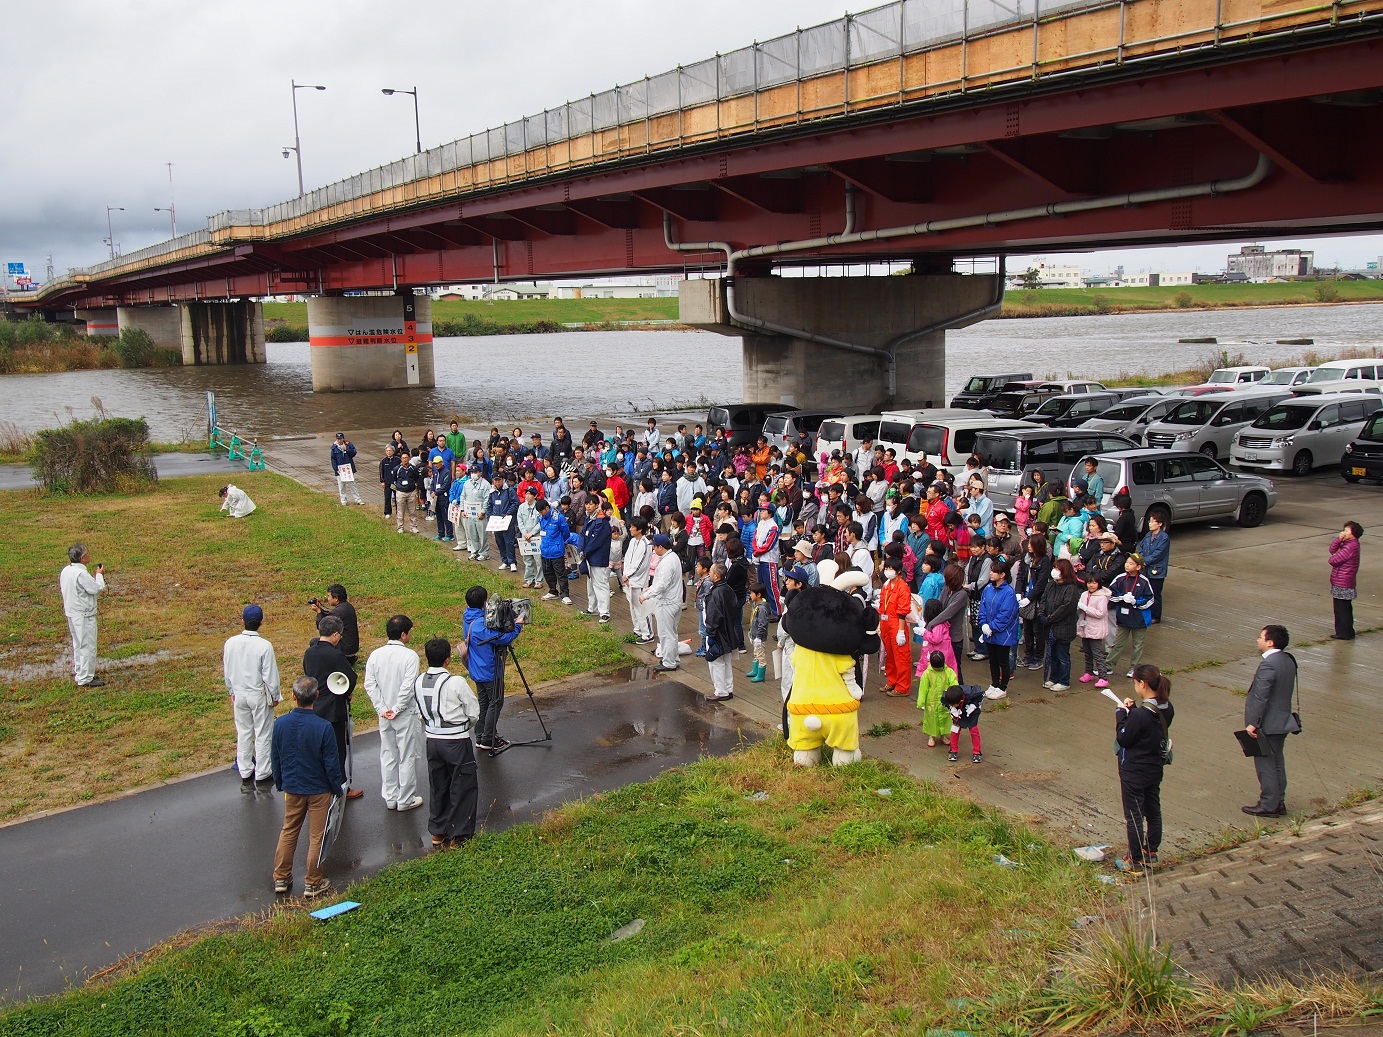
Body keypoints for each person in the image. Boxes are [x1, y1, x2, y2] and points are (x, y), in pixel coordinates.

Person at [270, 675, 344, 899]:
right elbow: (331, 763)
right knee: (317, 836)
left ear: (293, 696)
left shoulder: (280, 723)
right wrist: (337, 788)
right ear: (317, 696)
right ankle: (313, 882)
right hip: (319, 789)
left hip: (293, 786)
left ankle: (281, 877)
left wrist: (280, 781)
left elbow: (275, 757)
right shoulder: (323, 727)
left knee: (289, 830)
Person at [414, 636, 481, 848]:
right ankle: (459, 834)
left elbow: (418, 711)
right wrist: (465, 727)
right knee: (463, 785)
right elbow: (473, 712)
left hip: (432, 740)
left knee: (438, 785)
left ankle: (438, 831)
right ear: (448, 660)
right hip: (456, 740)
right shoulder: (456, 682)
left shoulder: (419, 680)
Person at [1113, 663, 1175, 874]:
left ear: (1143, 683)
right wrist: (1134, 710)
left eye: (1136, 683)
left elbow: (1124, 737)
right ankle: (1151, 852)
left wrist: (1122, 714)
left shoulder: (1139, 716)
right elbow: (1149, 727)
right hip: (1154, 767)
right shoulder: (1166, 708)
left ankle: (1134, 860)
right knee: (1153, 810)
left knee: (1134, 815)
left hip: (1134, 770)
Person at [364, 614, 423, 812]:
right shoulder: (410, 656)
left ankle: (391, 797)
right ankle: (405, 799)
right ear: (403, 634)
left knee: (388, 754)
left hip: (385, 714)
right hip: (404, 713)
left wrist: (382, 709)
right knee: (407, 755)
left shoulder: (375, 655)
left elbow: (370, 684)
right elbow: (408, 687)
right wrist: (396, 709)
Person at [302, 614, 362, 799]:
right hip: (333, 708)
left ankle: (320, 784)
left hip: (315, 705)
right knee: (337, 749)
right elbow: (351, 677)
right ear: (335, 635)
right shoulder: (335, 654)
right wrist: (347, 692)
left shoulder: (309, 652)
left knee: (318, 748)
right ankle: (341, 786)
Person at [1242, 624, 1299, 818]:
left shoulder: (1269, 664)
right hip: (1282, 720)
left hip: (1267, 723)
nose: (1258, 640)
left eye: (1260, 637)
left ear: (1270, 642)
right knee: (1277, 763)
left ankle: (1268, 804)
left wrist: (1253, 723)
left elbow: (1261, 696)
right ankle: (1278, 801)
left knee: (1266, 765)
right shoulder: (1288, 660)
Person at [224, 604, 282, 793]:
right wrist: (275, 696)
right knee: (263, 733)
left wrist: (231, 690)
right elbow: (270, 675)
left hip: (239, 693)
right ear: (261, 622)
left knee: (243, 732)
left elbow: (227, 670)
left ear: (242, 621)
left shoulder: (230, 643)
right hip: (258, 694)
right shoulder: (264, 646)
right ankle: (263, 771)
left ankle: (245, 769)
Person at [462, 586, 524, 752]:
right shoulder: (481, 626)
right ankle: (488, 739)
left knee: (485, 704)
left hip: (477, 669)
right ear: (484, 603)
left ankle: (481, 735)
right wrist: (517, 626)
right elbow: (502, 639)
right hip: (489, 670)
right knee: (495, 702)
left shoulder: (468, 618)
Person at [60, 543, 106, 688]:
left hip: (72, 613)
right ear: (82, 558)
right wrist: (99, 576)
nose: (89, 555)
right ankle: (85, 678)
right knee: (87, 646)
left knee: (78, 644)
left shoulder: (66, 570)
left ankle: (82, 673)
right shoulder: (81, 574)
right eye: (87, 553)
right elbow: (96, 588)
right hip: (84, 615)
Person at [1105, 554, 1156, 679]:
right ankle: (1108, 666)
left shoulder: (1144, 581)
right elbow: (1110, 593)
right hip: (1123, 617)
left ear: (1138, 567)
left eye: (1131, 563)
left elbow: (1151, 599)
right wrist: (1122, 597)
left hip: (1140, 619)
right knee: (1118, 643)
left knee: (1138, 645)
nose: (1127, 565)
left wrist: (1136, 602)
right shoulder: (1120, 578)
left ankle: (1135, 668)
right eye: (1127, 562)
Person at [978, 559, 1019, 700]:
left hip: (1003, 634)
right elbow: (982, 607)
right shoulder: (988, 589)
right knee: (992, 660)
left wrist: (992, 627)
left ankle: (1003, 687)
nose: (991, 573)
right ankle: (994, 684)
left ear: (1002, 574)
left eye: (994, 571)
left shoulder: (1009, 592)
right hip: (989, 632)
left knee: (1003, 661)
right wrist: (983, 624)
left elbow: (1006, 614)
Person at [642, 533, 683, 671]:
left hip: (667, 603)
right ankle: (673, 658)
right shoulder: (673, 557)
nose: (653, 549)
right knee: (672, 632)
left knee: (666, 634)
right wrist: (651, 588)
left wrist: (647, 595)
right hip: (674, 601)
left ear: (660, 546)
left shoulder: (667, 562)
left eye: (654, 547)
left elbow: (662, 585)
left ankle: (669, 662)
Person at [703, 562, 743, 700]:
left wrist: (711, 634)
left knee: (716, 662)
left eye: (711, 572)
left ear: (717, 575)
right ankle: (728, 688)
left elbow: (713, 616)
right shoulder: (728, 589)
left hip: (719, 632)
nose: (709, 574)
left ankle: (720, 691)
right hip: (729, 631)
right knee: (726, 661)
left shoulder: (716, 593)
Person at [1041, 558, 1080, 692]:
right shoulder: (1051, 584)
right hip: (1049, 627)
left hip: (1064, 627)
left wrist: (1051, 618)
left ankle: (1064, 681)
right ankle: (1053, 677)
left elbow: (1066, 607)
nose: (1055, 571)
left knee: (1063, 655)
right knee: (1052, 654)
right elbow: (1044, 599)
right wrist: (1042, 614)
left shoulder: (1071, 588)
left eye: (1058, 569)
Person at [878, 557, 914, 696]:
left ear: (898, 571)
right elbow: (882, 606)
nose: (888, 571)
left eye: (891, 569)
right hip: (886, 623)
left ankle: (903, 686)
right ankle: (892, 680)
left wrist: (900, 631)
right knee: (890, 654)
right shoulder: (886, 585)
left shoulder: (903, 587)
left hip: (897, 624)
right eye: (886, 568)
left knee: (901, 655)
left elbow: (903, 611)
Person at [577, 497, 613, 623]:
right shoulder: (589, 518)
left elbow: (596, 541)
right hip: (588, 557)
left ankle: (604, 612)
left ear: (597, 505)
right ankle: (592, 608)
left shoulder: (602, 522)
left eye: (591, 504)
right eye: (586, 504)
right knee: (590, 584)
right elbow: (582, 535)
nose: (588, 506)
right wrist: (581, 549)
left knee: (601, 585)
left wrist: (584, 552)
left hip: (598, 557)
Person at [1076, 574, 1113, 688]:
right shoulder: (1084, 594)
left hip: (1096, 629)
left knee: (1097, 654)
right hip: (1085, 627)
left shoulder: (1102, 597)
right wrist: (1078, 607)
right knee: (1087, 652)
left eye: (1094, 583)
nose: (1091, 585)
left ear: (1098, 584)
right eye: (1089, 583)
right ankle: (1088, 672)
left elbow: (1100, 613)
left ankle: (1103, 677)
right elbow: (1079, 611)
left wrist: (1085, 608)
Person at [1328, 521, 1362, 640]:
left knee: (1341, 609)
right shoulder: (1348, 544)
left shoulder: (1350, 547)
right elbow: (1332, 549)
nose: (1344, 532)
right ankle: (1347, 631)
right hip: (1342, 581)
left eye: (1347, 530)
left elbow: (1333, 560)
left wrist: (1333, 557)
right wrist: (1339, 539)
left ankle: (1343, 633)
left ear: (1353, 534)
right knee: (1344, 607)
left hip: (1343, 582)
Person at [310, 584, 360, 666]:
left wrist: (319, 612)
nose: (328, 598)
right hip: (351, 647)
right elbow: (330, 615)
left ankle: (333, 662)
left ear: (336, 598)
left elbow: (322, 626)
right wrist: (320, 608)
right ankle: (348, 659)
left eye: (329, 596)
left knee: (314, 642)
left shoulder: (339, 611)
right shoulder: (347, 606)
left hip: (345, 649)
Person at [916, 649, 956, 749]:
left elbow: (954, 683)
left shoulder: (948, 672)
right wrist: (921, 702)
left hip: (945, 701)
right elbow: (923, 689)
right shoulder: (927, 674)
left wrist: (954, 696)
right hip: (931, 701)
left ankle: (943, 736)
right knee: (931, 718)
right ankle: (931, 736)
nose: (938, 669)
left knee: (945, 717)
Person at [535, 498, 573, 604]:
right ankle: (553, 591)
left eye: (542, 511)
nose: (541, 514)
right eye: (539, 512)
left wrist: (559, 543)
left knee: (561, 573)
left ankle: (565, 594)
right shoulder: (540, 517)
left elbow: (566, 533)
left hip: (556, 550)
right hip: (545, 549)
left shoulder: (558, 518)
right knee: (547, 572)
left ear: (547, 508)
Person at [622, 517, 654, 642]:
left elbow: (640, 564)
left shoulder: (645, 544)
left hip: (639, 581)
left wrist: (628, 575)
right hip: (629, 581)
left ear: (640, 529)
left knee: (642, 608)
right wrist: (625, 576)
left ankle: (648, 634)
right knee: (633, 607)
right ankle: (638, 629)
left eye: (632, 527)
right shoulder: (632, 541)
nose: (630, 529)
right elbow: (628, 558)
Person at [1137, 513, 1170, 622]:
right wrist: (1140, 559)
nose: (1150, 524)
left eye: (1152, 521)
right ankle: (1147, 613)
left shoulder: (1164, 538)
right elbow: (1141, 547)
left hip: (1157, 570)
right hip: (1145, 568)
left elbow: (1158, 554)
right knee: (1146, 591)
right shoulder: (1148, 535)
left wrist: (1144, 561)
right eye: (1149, 521)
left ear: (1160, 524)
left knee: (1155, 593)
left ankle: (1156, 616)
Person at [942, 683, 984, 763]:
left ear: (960, 701)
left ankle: (977, 751)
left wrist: (973, 706)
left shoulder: (972, 693)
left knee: (974, 730)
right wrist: (952, 708)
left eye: (952, 704)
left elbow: (979, 698)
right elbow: (947, 703)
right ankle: (953, 750)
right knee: (955, 730)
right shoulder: (948, 696)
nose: (951, 705)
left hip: (971, 711)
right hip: (957, 712)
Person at [517, 486, 543, 588]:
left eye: (530, 494)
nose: (527, 496)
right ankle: (528, 579)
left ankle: (539, 580)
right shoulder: (521, 507)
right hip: (525, 537)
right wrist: (524, 533)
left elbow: (541, 522)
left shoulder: (539, 506)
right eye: (526, 494)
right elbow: (520, 521)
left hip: (536, 536)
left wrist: (532, 533)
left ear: (535, 496)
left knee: (538, 560)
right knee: (527, 559)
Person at [330, 432, 364, 505]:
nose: (339, 440)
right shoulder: (334, 447)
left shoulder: (348, 444)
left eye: (340, 439)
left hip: (348, 468)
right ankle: (343, 500)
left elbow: (354, 453)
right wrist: (336, 469)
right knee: (341, 486)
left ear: (343, 438)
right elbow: (333, 459)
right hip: (340, 469)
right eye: (338, 439)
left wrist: (347, 449)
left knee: (352, 484)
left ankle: (357, 499)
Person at [746, 583, 770, 682]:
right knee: (756, 653)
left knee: (760, 655)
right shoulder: (756, 605)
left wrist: (759, 637)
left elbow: (762, 624)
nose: (750, 595)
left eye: (752, 593)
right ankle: (755, 670)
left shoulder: (762, 608)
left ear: (759, 595)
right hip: (754, 634)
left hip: (759, 637)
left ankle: (761, 674)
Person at [391, 452, 420, 533]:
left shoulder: (413, 468)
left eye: (406, 457)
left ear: (409, 458)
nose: (405, 459)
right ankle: (400, 527)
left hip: (411, 492)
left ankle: (413, 527)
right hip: (401, 492)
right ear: (401, 459)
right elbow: (394, 479)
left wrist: (414, 487)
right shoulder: (397, 469)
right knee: (400, 511)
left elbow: (416, 478)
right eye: (403, 458)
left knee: (412, 511)